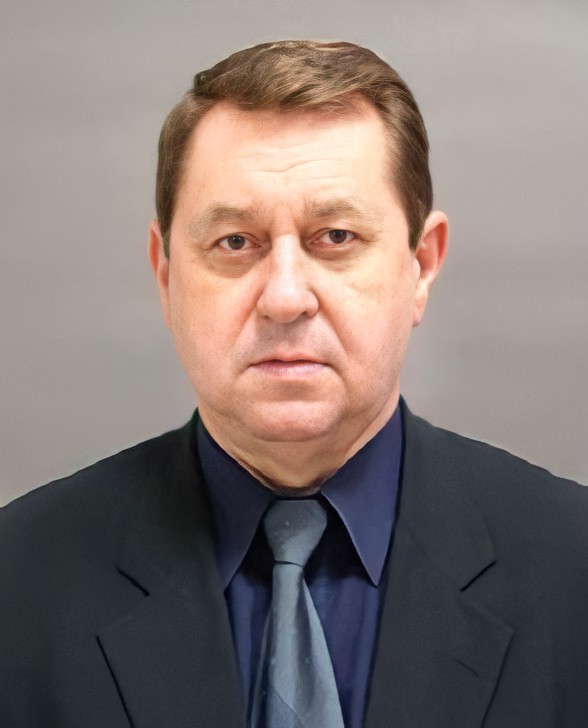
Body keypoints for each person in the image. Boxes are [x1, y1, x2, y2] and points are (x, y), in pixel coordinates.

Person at [1, 40, 587, 728]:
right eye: (235, 242)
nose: (284, 298)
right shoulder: (18, 580)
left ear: (421, 265)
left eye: (335, 237)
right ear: (165, 273)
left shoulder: (572, 570)